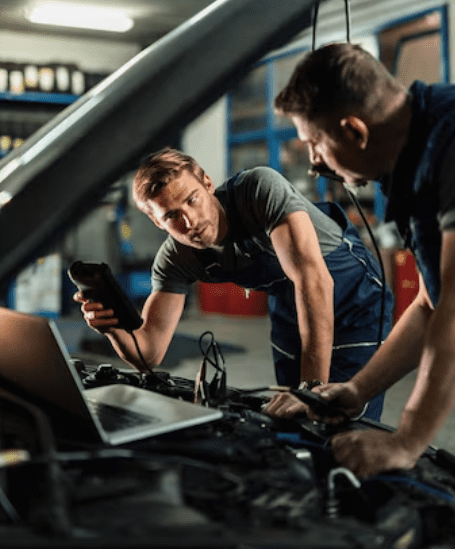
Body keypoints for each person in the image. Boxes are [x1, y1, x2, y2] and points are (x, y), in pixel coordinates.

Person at [75, 146, 393, 420]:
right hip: (291, 304)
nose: (190, 221)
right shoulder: (176, 258)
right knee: (290, 418)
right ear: (156, 222)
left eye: (192, 199)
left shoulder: (258, 190)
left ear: (208, 184)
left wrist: (309, 390)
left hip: (354, 297)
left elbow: (314, 281)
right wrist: (113, 328)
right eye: (171, 215)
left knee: (339, 414)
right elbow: (149, 354)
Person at [268, 40, 455, 478]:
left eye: (315, 142)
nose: (314, 163)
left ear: (355, 131)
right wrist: (357, 388)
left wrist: (407, 440)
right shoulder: (409, 159)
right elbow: (432, 303)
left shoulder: (450, 141)